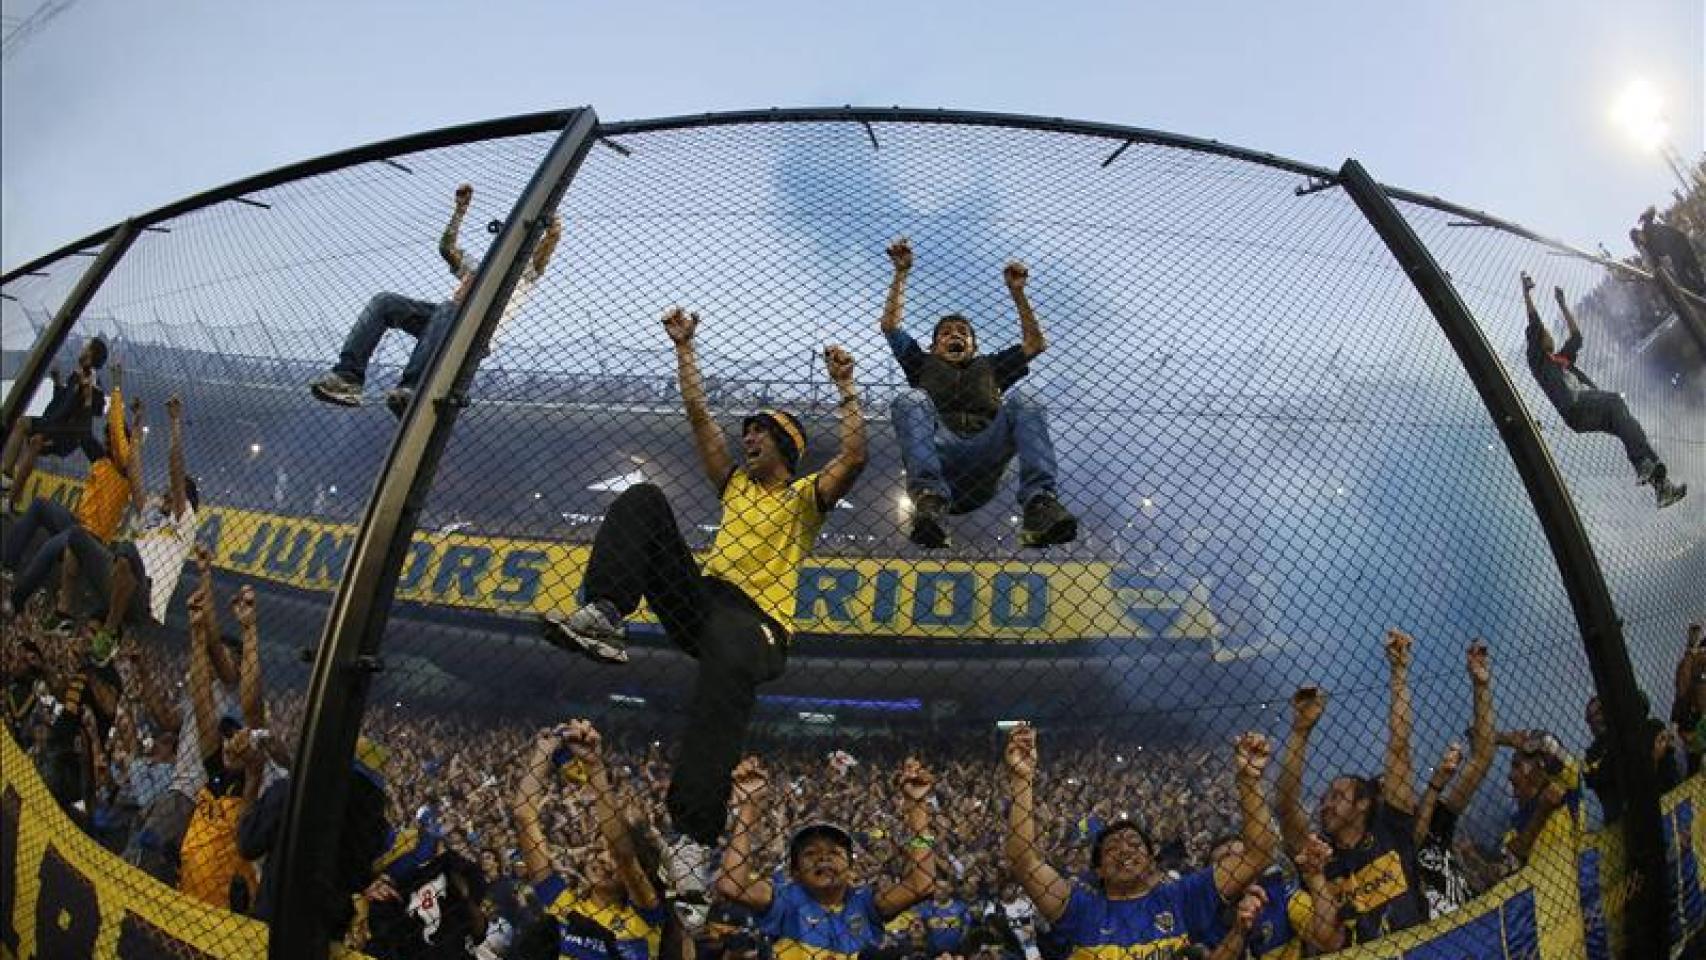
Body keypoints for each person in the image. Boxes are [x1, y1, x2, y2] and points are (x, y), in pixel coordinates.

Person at [539, 308, 867, 885]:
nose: (748, 436)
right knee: (643, 499)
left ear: (787, 447)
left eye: (761, 431)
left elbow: (854, 459)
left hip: (757, 626)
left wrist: (845, 389)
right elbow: (698, 416)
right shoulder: (735, 484)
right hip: (705, 604)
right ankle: (607, 614)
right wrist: (684, 349)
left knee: (722, 685)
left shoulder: (801, 500)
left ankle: (691, 843)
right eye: (747, 431)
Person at [1002, 723, 1274, 957]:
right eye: (1111, 848)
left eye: (1134, 844)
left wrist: (1249, 781)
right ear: (1098, 869)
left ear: (1151, 860)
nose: (1124, 851)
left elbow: (1257, 854)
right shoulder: (1081, 908)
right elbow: (1023, 862)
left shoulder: (1182, 896)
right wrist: (1021, 780)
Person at [879, 239, 1076, 549]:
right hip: (941, 457)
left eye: (963, 332)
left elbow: (1035, 344)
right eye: (945, 332)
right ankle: (929, 503)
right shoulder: (921, 363)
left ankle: (1040, 503)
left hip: (986, 456)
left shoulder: (991, 366)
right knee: (911, 399)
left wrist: (1018, 293)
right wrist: (901, 274)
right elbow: (890, 326)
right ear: (934, 346)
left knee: (1026, 399)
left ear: (973, 345)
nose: (954, 334)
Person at [309, 183, 563, 416]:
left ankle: (412, 388)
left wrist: (552, 230)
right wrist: (460, 211)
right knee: (385, 302)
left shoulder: (524, 273)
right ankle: (347, 378)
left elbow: (547, 249)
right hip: (445, 322)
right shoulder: (478, 269)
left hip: (478, 335)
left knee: (448, 307)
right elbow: (447, 248)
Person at [1277, 629, 1430, 947]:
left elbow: (1399, 748)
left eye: (1338, 796)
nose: (1326, 805)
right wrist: (1300, 732)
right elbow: (1287, 807)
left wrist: (1399, 671)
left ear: (1363, 804)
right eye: (1324, 798)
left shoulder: (1391, 827)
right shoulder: (1320, 857)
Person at [717, 754, 937, 960]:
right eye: (810, 853)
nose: (823, 858)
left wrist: (918, 810)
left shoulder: (865, 903)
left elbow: (922, 884)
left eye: (834, 852)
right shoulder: (783, 899)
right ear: (795, 871)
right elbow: (731, 886)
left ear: (852, 869)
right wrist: (749, 806)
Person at [1520, 272, 1686, 508]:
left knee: (1629, 426)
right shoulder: (1539, 362)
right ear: (1537, 342)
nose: (1548, 334)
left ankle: (1661, 486)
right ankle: (1643, 466)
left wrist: (1563, 305)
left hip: (1588, 409)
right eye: (1544, 333)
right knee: (1615, 402)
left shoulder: (1562, 358)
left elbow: (1577, 337)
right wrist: (1526, 293)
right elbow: (1534, 323)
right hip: (1575, 406)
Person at [3, 362, 143, 633]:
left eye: (111, 439)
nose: (106, 440)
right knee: (41, 506)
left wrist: (117, 387)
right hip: (76, 523)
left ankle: (16, 601)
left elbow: (115, 426)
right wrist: (89, 396)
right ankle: (7, 566)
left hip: (90, 538)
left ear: (122, 445)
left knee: (50, 548)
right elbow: (83, 432)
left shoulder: (125, 471)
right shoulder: (102, 461)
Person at [511, 718, 667, 960]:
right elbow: (523, 815)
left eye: (609, 853)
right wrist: (544, 752)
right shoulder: (562, 903)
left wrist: (595, 768)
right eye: (598, 849)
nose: (603, 859)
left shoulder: (646, 914)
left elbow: (623, 854)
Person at [56, 392, 199, 655]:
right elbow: (133, 473)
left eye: (173, 492)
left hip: (145, 599)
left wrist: (175, 422)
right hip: (118, 580)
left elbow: (176, 470)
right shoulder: (152, 516)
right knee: (77, 536)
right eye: (168, 492)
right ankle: (63, 610)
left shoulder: (185, 522)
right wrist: (136, 423)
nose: (167, 493)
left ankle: (109, 632)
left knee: (127, 550)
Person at [176, 581, 270, 910]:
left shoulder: (248, 788)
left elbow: (254, 711)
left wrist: (250, 630)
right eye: (228, 738)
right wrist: (197, 637)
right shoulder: (214, 770)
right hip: (185, 900)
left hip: (218, 918)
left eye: (237, 738)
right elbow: (203, 704)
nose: (231, 743)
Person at [1409, 640, 1497, 915]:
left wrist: (1480, 686)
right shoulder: (1385, 848)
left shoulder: (1436, 822)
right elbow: (1413, 838)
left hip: (1474, 923)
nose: (1404, 788)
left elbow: (1482, 757)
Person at [1, 335, 109, 511]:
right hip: (53, 424)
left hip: (67, 433)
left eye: (85, 347)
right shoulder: (76, 375)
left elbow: (98, 408)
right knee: (26, 430)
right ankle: (8, 486)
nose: (81, 349)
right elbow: (62, 403)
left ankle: (9, 491)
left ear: (90, 354)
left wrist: (90, 392)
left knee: (32, 436)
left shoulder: (92, 379)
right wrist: (58, 382)